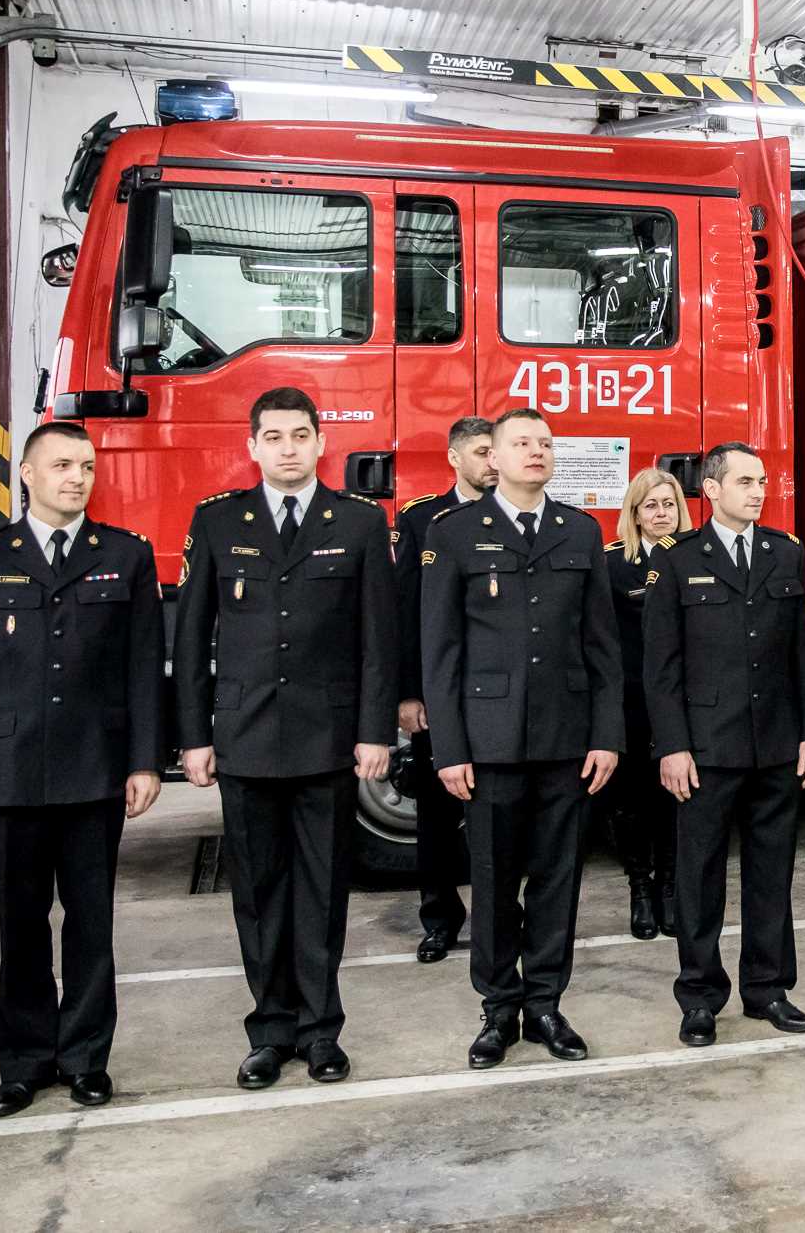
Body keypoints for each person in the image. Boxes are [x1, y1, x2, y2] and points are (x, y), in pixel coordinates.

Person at [0, 422, 164, 1118]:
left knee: (91, 924)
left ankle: (87, 1058)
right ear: (28, 474)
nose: (77, 477)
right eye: (63, 464)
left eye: (87, 466)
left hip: (96, 770)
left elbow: (143, 670)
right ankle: (24, 1063)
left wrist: (144, 760)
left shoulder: (125, 555)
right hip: (10, 771)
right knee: (21, 925)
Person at [174, 388, 396, 1090]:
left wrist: (375, 731)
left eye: (300, 434)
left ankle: (321, 1031)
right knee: (259, 893)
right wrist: (194, 737)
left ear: (321, 442)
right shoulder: (218, 520)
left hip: (327, 738)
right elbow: (191, 640)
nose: (288, 448)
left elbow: (378, 641)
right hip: (244, 737)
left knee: (323, 894)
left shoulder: (360, 522)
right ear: (253, 446)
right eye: (274, 436)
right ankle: (270, 1031)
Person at [422, 408, 624, 1067]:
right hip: (490, 742)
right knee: (493, 878)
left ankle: (544, 1004)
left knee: (557, 879)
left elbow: (602, 645)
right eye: (521, 443)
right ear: (494, 457)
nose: (536, 452)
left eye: (545, 443)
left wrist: (607, 734)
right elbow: (440, 651)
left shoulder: (579, 530)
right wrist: (450, 748)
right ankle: (498, 1007)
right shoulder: (454, 532)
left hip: (567, 739)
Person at [643, 442, 805, 1047]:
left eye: (763, 481)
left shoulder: (784, 553)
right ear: (713, 490)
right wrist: (672, 746)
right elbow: (661, 667)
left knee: (771, 874)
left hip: (774, 743)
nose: (758, 491)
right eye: (745, 481)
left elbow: (803, 652)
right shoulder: (677, 561)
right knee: (699, 878)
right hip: (705, 750)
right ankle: (699, 998)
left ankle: (768, 989)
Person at [392, 416, 496, 964]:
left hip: (499, 696)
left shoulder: (515, 516)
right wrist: (408, 693)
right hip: (441, 693)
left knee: (500, 817)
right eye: (480, 452)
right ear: (455, 458)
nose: (491, 461)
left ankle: (501, 919)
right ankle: (439, 918)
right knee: (435, 813)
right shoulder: (420, 519)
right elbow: (406, 610)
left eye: (495, 450)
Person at [605, 466, 690, 938]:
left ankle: (672, 889)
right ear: (635, 513)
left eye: (669, 504)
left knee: (677, 799)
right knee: (630, 802)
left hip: (681, 702)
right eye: (651, 505)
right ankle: (640, 888)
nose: (661, 513)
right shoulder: (613, 564)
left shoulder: (696, 556)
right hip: (631, 703)